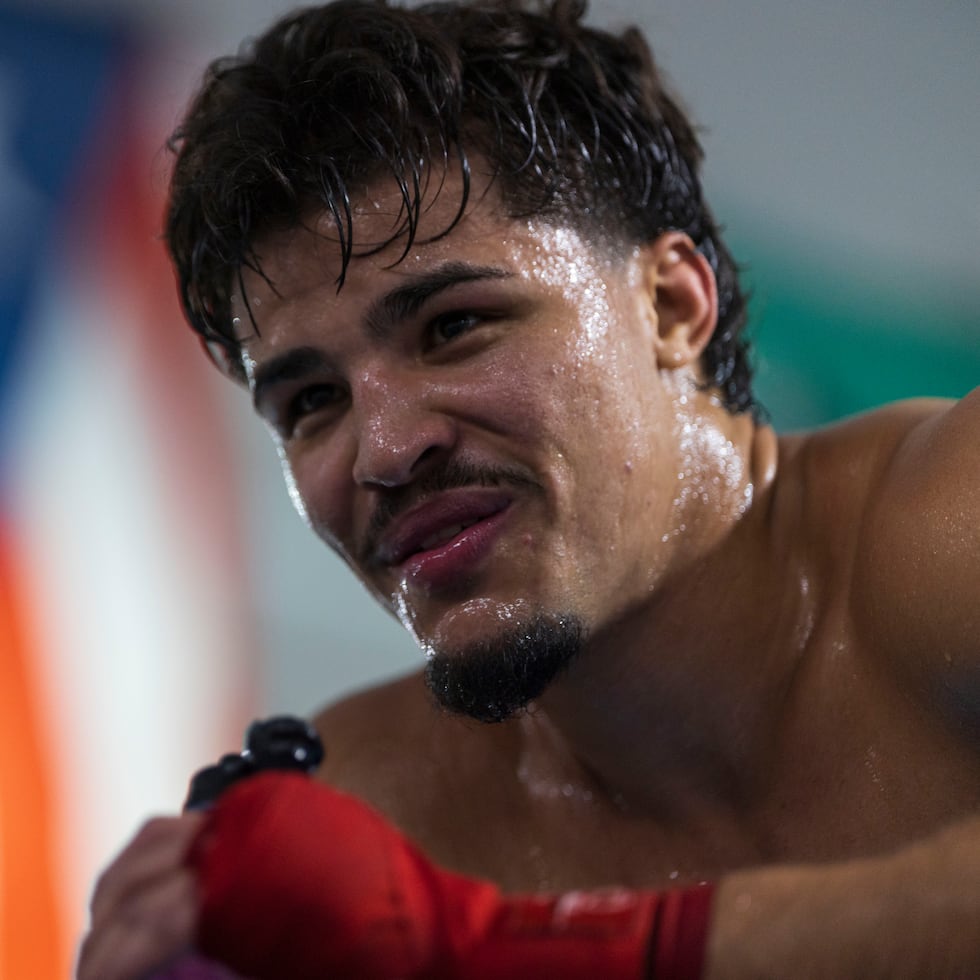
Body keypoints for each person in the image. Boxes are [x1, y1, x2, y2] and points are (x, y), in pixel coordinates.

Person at [77, 0, 979, 977]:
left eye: (454, 326)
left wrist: (515, 950)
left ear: (671, 304)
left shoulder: (947, 522)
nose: (384, 447)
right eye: (310, 401)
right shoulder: (376, 815)